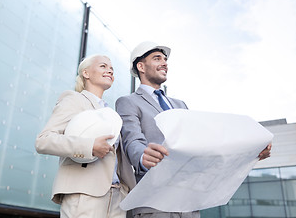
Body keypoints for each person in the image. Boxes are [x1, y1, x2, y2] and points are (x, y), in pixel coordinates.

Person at [115, 41, 272, 218]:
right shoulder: (128, 102)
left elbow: (203, 144)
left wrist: (250, 153)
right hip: (155, 201)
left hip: (188, 200)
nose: (165, 63)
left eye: (165, 59)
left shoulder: (180, 105)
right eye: (157, 58)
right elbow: (132, 140)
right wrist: (143, 155)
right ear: (141, 66)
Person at [35, 54, 136, 218]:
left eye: (112, 69)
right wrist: (89, 147)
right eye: (103, 66)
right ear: (86, 73)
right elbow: (44, 141)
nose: (109, 71)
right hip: (85, 194)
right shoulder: (74, 99)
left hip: (117, 198)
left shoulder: (111, 113)